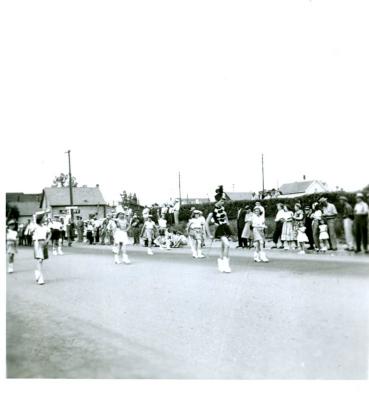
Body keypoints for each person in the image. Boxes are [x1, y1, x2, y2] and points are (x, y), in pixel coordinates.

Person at [205, 185, 232, 273]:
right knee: (227, 245)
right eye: (222, 200)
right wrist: (209, 234)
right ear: (218, 200)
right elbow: (206, 223)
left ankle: (221, 265)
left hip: (225, 228)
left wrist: (228, 225)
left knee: (223, 247)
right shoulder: (212, 211)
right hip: (220, 229)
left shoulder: (223, 209)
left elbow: (226, 218)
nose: (223, 202)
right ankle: (226, 265)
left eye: (224, 200)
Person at [31, 211, 51, 285]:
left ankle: (37, 272)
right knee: (39, 260)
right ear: (40, 219)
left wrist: (47, 240)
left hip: (44, 243)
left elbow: (50, 233)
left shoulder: (45, 227)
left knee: (41, 260)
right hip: (37, 243)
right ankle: (40, 278)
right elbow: (30, 232)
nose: (45, 218)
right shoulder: (35, 226)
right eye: (44, 217)